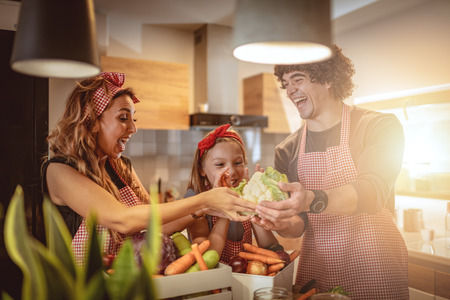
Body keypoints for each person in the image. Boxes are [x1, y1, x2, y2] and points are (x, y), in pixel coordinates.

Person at [41, 72, 255, 265]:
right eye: (123, 118)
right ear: (92, 120)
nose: (133, 128)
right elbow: (122, 220)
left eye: (133, 119)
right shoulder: (60, 170)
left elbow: (156, 226)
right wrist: (204, 200)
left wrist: (204, 208)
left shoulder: (120, 167)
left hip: (126, 284)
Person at [251, 45, 409, 299]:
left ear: (326, 78)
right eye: (285, 83)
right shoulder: (287, 149)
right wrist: (279, 221)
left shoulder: (378, 126)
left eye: (298, 79)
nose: (290, 91)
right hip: (319, 270)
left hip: (376, 266)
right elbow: (298, 223)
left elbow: (373, 192)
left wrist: (312, 198)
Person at [163, 124, 279, 264]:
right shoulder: (196, 198)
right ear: (202, 170)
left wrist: (254, 205)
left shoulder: (243, 194)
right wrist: (225, 211)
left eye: (238, 163)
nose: (231, 171)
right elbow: (207, 258)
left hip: (244, 278)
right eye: (220, 165)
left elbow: (272, 249)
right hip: (213, 281)